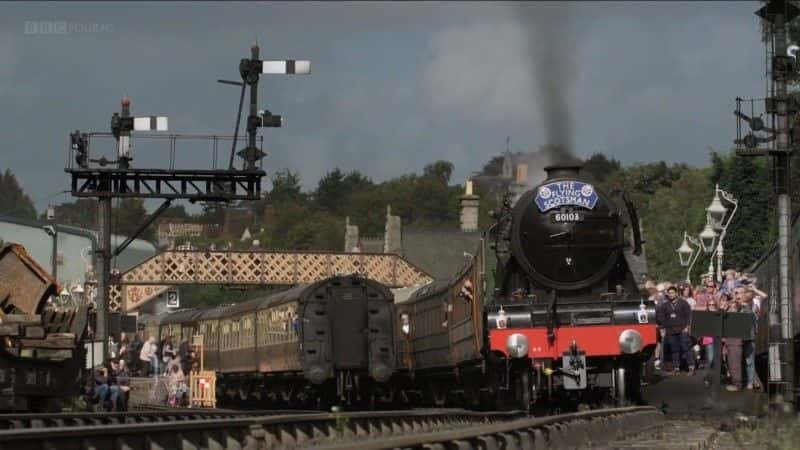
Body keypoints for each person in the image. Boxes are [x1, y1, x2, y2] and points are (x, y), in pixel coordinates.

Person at [655, 286, 693, 374]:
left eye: (672, 293)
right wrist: (662, 328)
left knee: (686, 348)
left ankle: (691, 367)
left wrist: (687, 327)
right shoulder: (665, 305)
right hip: (670, 330)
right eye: (669, 293)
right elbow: (661, 318)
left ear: (676, 293)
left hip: (682, 329)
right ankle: (676, 368)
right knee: (674, 350)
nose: (671, 295)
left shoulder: (683, 303)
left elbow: (689, 316)